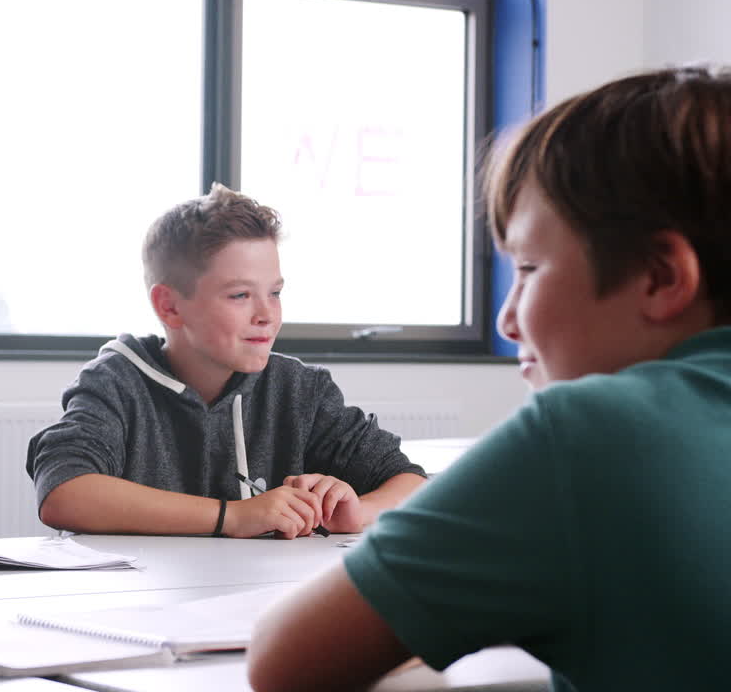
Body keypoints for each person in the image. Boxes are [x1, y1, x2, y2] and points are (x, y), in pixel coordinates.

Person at [247, 66, 731, 691]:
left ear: (661, 278)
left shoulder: (586, 436)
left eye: (528, 268)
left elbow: (285, 662)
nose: (506, 320)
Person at [26, 183, 425, 539]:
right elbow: (63, 492)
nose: (266, 315)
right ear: (170, 306)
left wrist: (361, 512)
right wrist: (233, 516)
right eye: (239, 295)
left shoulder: (300, 390)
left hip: (254, 604)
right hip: (143, 606)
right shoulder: (116, 381)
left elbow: (414, 484)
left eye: (275, 293)